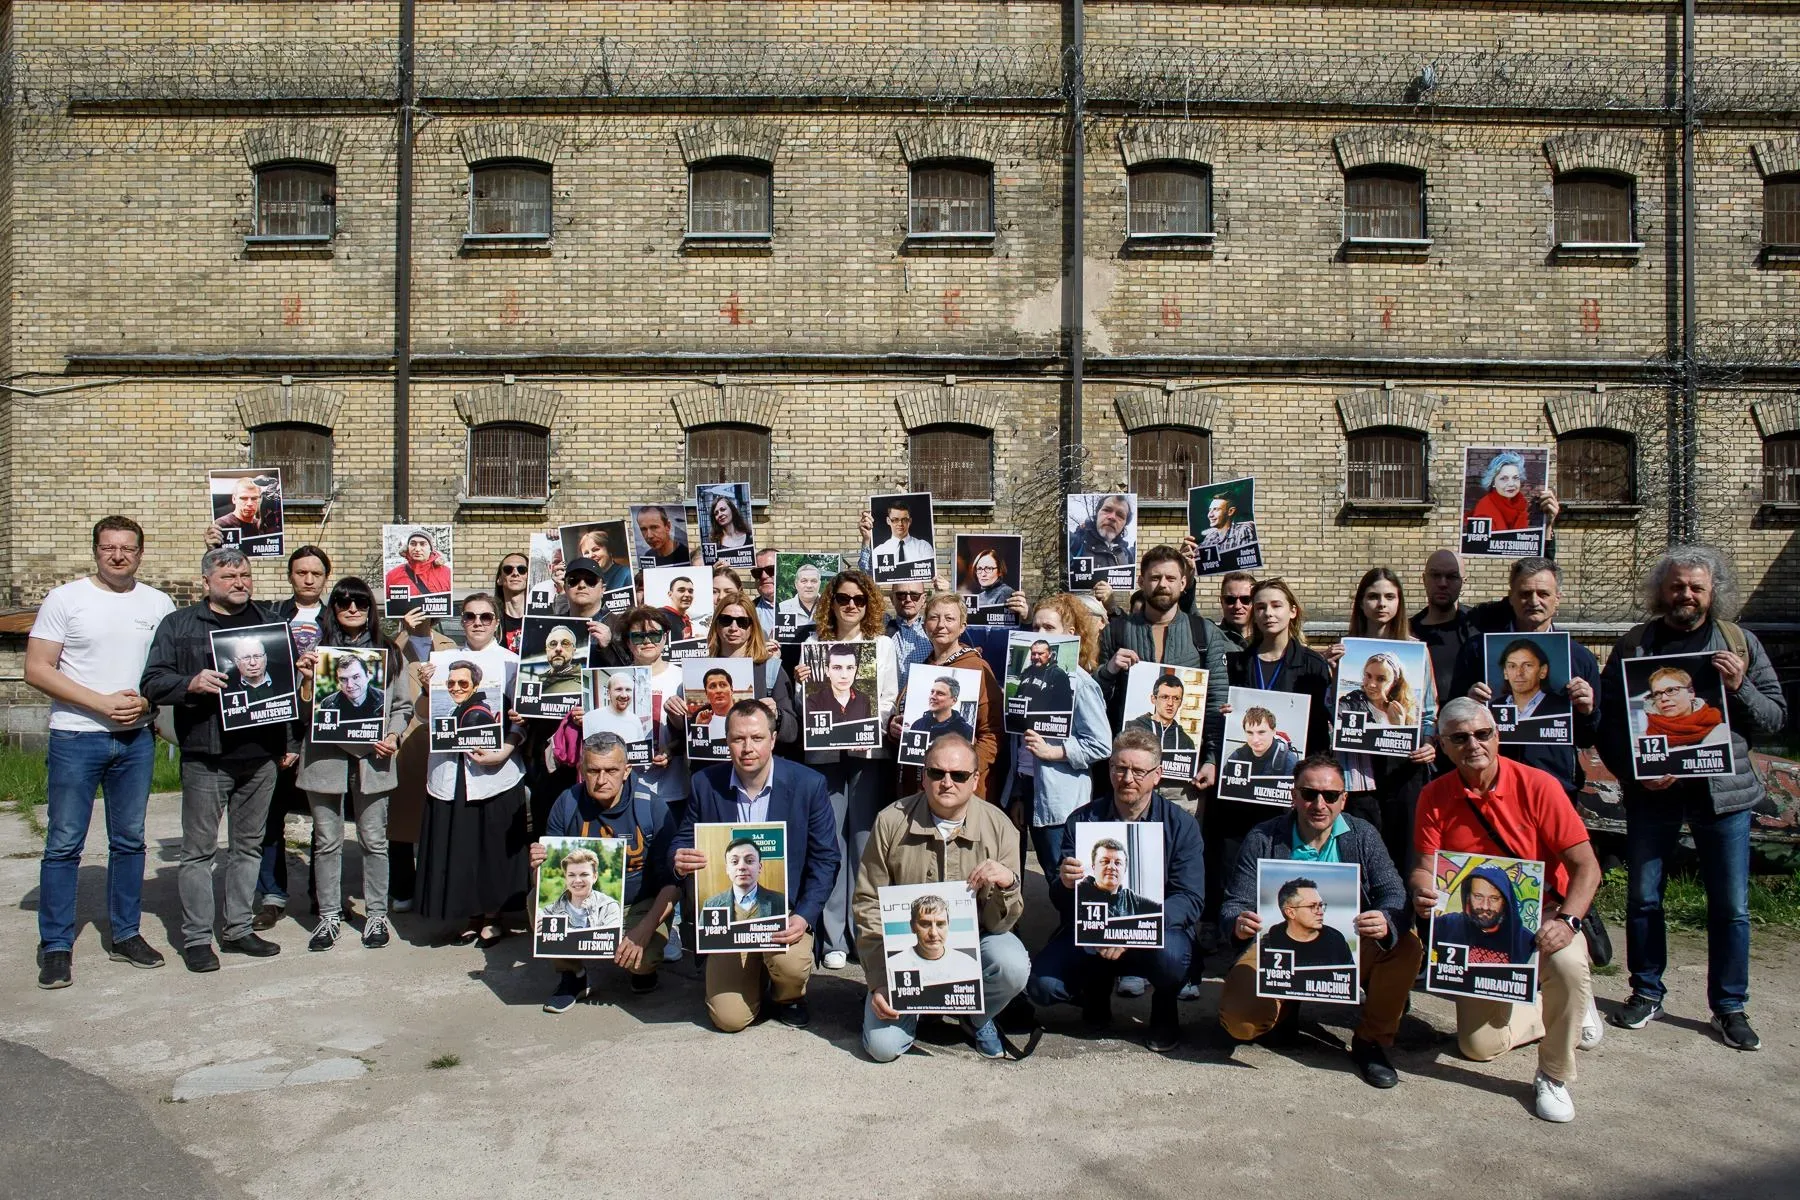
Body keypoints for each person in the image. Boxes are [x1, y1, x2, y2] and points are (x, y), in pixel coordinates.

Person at [1597, 545, 1786, 1050]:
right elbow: (1610, 723)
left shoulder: (1739, 643)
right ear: (1660, 590)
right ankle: (1646, 991)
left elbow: (1774, 720)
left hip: (1723, 799)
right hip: (1654, 797)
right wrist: (1637, 774)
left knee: (1731, 906)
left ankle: (1729, 1006)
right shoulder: (1635, 646)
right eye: (1676, 585)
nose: (1686, 595)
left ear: (1712, 592)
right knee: (1643, 899)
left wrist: (1740, 686)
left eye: (1696, 587)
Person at [1413, 699, 1603, 1123]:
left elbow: (1586, 867)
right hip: (1480, 923)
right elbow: (1425, 869)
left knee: (1567, 965)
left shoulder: (1540, 786)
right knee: (1478, 1047)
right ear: (1443, 745)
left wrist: (1569, 921)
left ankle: (1553, 1072)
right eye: (1459, 738)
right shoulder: (1433, 795)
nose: (1473, 745)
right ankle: (1554, 1009)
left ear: (1498, 735)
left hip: (1549, 914)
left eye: (1483, 734)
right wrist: (1423, 892)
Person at [28, 516, 176, 988]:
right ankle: (55, 945)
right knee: (64, 843)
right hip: (76, 736)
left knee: (130, 841)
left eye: (128, 548)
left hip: (136, 740)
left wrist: (149, 702)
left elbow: (167, 669)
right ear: (96, 550)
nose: (118, 556)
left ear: (140, 553)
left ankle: (126, 934)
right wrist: (100, 703)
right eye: (109, 547)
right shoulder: (66, 599)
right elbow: (36, 668)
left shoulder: (158, 603)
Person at [1217, 753, 1420, 1088]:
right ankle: (1284, 1008)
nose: (1319, 804)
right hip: (1275, 946)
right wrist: (1237, 922)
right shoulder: (1264, 837)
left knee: (1407, 944)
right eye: (1309, 794)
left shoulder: (1362, 835)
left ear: (1344, 799)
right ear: (1293, 795)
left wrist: (1384, 920)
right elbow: (1234, 902)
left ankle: (1371, 1042)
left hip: (1345, 943)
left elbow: (1394, 894)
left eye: (1330, 795)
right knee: (1241, 1023)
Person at [139, 547, 295, 973]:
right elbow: (152, 681)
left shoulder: (269, 622)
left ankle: (239, 928)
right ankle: (196, 938)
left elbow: (283, 688)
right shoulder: (180, 625)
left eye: (244, 574)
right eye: (229, 576)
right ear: (207, 581)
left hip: (260, 756)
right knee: (199, 852)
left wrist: (290, 734)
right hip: (207, 757)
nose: (239, 582)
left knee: (247, 847)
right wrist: (190, 682)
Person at [854, 735, 1030, 1061]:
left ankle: (975, 1016)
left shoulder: (1001, 828)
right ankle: (918, 1008)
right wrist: (879, 981)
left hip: (973, 945)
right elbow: (868, 903)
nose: (947, 782)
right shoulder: (891, 821)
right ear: (923, 775)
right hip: (904, 956)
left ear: (975, 780)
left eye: (959, 775)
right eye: (937, 773)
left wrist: (1008, 884)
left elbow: (1001, 924)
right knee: (882, 1048)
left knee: (1012, 964)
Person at [1027, 728, 1202, 1052]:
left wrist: (1131, 930)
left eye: (1138, 771)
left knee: (1173, 958)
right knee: (1042, 986)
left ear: (1157, 775)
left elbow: (1190, 899)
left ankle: (1164, 1010)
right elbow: (1060, 900)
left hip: (1158, 932)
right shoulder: (1083, 820)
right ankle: (1096, 993)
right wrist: (1064, 883)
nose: (1128, 778)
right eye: (1120, 768)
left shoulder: (1181, 825)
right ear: (1109, 770)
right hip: (1092, 931)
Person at [673, 702, 839, 1031]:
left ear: (773, 739)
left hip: (784, 914)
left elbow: (826, 859)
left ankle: (787, 996)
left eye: (757, 737)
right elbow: (681, 840)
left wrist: (804, 915)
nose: (748, 748)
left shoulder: (809, 784)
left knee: (790, 967)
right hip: (729, 919)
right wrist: (678, 859)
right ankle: (752, 980)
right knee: (729, 1019)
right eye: (738, 739)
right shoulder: (706, 783)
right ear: (726, 742)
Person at [296, 577, 410, 952]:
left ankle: (376, 914)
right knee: (326, 841)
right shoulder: (316, 652)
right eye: (344, 602)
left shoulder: (389, 652)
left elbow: (401, 707)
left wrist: (392, 736)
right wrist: (308, 678)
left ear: (370, 610)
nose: (352, 610)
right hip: (325, 759)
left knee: (374, 840)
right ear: (333, 608)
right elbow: (303, 709)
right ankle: (329, 915)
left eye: (360, 603)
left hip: (372, 760)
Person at [797, 568, 900, 971]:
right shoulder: (813, 644)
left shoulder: (882, 645)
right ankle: (832, 935)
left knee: (864, 842)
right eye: (843, 599)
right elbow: (805, 704)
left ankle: (863, 933)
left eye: (859, 599)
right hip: (824, 758)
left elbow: (889, 697)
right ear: (831, 602)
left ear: (869, 604)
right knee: (829, 843)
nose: (851, 606)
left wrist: (873, 725)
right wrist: (800, 680)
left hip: (867, 754)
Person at [532, 733, 680, 1011]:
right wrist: (538, 865)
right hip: (583, 901)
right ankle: (572, 975)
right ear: (581, 770)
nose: (602, 779)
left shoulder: (651, 806)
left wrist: (644, 930)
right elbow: (545, 882)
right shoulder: (566, 803)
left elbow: (673, 885)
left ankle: (644, 970)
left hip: (637, 904)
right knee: (533, 900)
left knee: (642, 960)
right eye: (594, 771)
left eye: (611, 770)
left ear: (626, 771)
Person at [415, 593, 529, 947]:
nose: (477, 623)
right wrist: (425, 688)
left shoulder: (513, 662)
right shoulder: (441, 661)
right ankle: (470, 914)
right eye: (469, 617)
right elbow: (423, 714)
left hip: (496, 771)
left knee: (492, 848)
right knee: (460, 847)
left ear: (497, 621)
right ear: (461, 621)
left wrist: (505, 751)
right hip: (451, 771)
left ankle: (494, 917)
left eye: (485, 617)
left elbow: (522, 720)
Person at [1448, 558, 1601, 802]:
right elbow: (1450, 714)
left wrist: (1587, 711)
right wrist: (1467, 701)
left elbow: (1587, 738)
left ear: (1557, 598)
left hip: (1554, 783)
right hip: (1490, 782)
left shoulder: (1579, 659)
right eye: (1525, 593)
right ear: (1511, 597)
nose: (1534, 601)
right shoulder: (1479, 651)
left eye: (1543, 593)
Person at [1327, 567, 1437, 870]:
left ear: (1400, 602)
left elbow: (1429, 713)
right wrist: (1332, 677)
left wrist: (1429, 742)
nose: (1381, 604)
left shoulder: (1416, 651)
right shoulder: (1344, 651)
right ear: (1361, 603)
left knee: (1404, 854)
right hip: (1358, 771)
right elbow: (1330, 713)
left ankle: (1401, 918)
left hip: (1404, 770)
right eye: (1373, 597)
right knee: (1362, 856)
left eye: (1390, 596)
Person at [1096, 546, 1229, 797]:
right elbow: (1096, 700)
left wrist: (1211, 759)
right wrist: (1109, 670)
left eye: (1170, 578)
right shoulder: (1116, 632)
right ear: (1141, 581)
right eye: (1155, 578)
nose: (1162, 585)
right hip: (1128, 776)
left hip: (1182, 781)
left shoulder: (1204, 633)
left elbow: (1215, 701)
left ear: (1183, 582)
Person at [1004, 593, 1112, 882]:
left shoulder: (1080, 682)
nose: (1040, 634)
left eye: (1049, 628)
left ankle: (1072, 928)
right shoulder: (1023, 677)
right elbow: (1020, 741)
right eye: (1035, 627)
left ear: (1070, 634)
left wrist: (1054, 752)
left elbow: (1101, 743)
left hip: (1061, 801)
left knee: (1064, 877)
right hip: (1027, 788)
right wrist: (1017, 793)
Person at [252, 544, 333, 930]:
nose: (308, 579)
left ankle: (324, 896)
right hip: (281, 730)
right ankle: (272, 895)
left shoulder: (339, 617)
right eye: (301, 572)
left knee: (325, 818)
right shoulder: (271, 618)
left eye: (315, 573)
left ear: (325, 577)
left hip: (325, 731)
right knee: (272, 815)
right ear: (290, 576)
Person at [707, 589, 800, 749]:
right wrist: (676, 715)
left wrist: (777, 714)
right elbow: (684, 734)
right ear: (716, 624)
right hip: (710, 765)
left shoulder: (770, 669)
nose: (733, 627)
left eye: (742, 622)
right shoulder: (699, 668)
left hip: (756, 766)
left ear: (752, 627)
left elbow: (792, 732)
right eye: (726, 620)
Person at [1434, 865, 1537, 964]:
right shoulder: (1449, 925)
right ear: (1468, 897)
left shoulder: (1526, 941)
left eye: (1494, 898)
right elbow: (1422, 935)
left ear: (1505, 901)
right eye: (1478, 897)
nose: (1485, 906)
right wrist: (1426, 910)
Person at [1410, 549, 1473, 707]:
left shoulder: (1479, 627)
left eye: (1452, 576)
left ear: (1463, 581)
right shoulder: (1407, 632)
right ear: (1424, 579)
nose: (1443, 583)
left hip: (1468, 728)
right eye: (1435, 575)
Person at [882, 894, 981, 984]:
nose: (933, 933)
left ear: (948, 925)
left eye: (940, 924)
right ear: (912, 926)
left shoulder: (967, 963)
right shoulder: (894, 964)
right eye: (925, 924)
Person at [1259, 877, 1353, 966]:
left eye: (1320, 905)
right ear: (1291, 913)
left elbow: (1351, 979)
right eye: (1312, 906)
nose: (1320, 912)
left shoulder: (1336, 941)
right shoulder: (1269, 945)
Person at [701, 837, 788, 919]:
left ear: (759, 867)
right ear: (727, 869)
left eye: (749, 861)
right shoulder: (711, 905)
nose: (742, 867)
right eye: (735, 862)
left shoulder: (781, 901)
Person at [1074, 837, 1163, 916]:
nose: (1112, 867)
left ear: (1124, 870)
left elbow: (1164, 912)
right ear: (1094, 867)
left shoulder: (1131, 899)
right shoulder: (1077, 894)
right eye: (1105, 861)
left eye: (1118, 863)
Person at [1466, 450, 1536, 531]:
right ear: (1493, 482)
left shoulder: (1520, 503)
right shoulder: (1484, 511)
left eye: (1515, 478)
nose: (1511, 484)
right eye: (1504, 479)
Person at [1125, 672, 1195, 753]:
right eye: (1165, 697)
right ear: (1153, 699)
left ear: (1181, 703)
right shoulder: (1131, 728)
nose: (1170, 703)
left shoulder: (1187, 742)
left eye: (1176, 698)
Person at [1069, 493, 1136, 574]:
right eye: (1107, 510)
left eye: (1120, 515)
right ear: (1097, 514)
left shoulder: (1127, 556)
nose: (1112, 517)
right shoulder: (1073, 543)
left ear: (1124, 525)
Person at [806, 644, 871, 724]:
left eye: (849, 668)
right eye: (837, 668)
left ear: (855, 670)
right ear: (827, 671)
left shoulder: (864, 700)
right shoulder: (814, 701)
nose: (844, 675)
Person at [1226, 706, 1298, 778]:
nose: (1255, 740)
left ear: (1273, 732)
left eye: (1261, 732)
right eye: (1250, 733)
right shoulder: (1238, 756)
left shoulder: (1289, 761)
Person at [314, 650, 382, 723]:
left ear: (368, 676)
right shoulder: (327, 704)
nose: (350, 685)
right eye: (343, 679)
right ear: (338, 680)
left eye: (355, 677)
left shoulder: (384, 700)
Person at [385, 529, 452, 601]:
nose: (417, 549)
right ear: (407, 547)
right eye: (413, 544)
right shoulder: (392, 576)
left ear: (431, 549)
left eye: (423, 544)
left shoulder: (447, 573)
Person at [212, 475, 281, 543]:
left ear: (260, 499)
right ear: (234, 499)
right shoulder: (222, 524)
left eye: (254, 498)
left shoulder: (262, 526)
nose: (249, 503)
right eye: (244, 498)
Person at [909, 674, 976, 743]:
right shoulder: (918, 725)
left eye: (940, 693)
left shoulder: (965, 731)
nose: (933, 696)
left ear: (953, 701)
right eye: (932, 692)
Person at [1017, 637, 1075, 717]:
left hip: (1042, 724)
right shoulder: (1027, 671)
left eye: (1040, 653)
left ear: (1050, 654)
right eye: (1033, 654)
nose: (1036, 657)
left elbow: (1065, 708)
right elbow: (1018, 695)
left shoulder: (1058, 675)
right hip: (1022, 722)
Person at [589, 672, 651, 744]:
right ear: (608, 693)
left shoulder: (635, 720)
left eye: (628, 690)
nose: (624, 695)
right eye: (619, 689)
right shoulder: (591, 718)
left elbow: (641, 749)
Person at [871, 498, 932, 569]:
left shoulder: (923, 547)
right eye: (895, 520)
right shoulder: (879, 551)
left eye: (904, 520)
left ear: (910, 521)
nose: (900, 524)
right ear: (888, 521)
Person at [530, 624, 585, 697]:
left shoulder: (582, 687)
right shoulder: (536, 685)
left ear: (573, 651)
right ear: (547, 651)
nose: (558, 649)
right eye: (553, 644)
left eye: (565, 643)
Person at [495, 551, 532, 653]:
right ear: (500, 579)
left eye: (522, 570)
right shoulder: (490, 618)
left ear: (529, 578)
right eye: (508, 570)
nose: (515, 573)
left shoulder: (541, 617)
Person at [1215, 571, 1255, 649]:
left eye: (1245, 599)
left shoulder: (1267, 637)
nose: (1237, 606)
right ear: (1222, 602)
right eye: (1230, 599)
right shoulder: (1211, 636)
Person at [661, 574, 702, 639]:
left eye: (690, 591)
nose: (687, 594)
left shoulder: (688, 619)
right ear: (670, 594)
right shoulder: (661, 617)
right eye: (681, 590)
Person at [751, 549, 779, 637]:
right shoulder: (748, 610)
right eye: (758, 572)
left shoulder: (812, 607)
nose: (764, 576)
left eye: (771, 570)